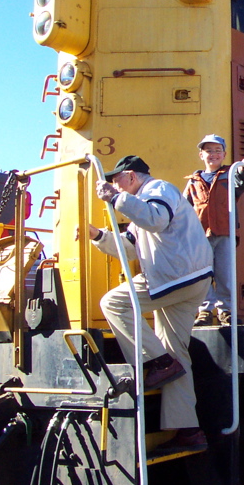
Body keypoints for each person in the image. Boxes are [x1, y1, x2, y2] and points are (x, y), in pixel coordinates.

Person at [84, 155, 213, 450]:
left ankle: (158, 362)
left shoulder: (158, 189)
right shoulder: (142, 204)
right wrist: (97, 236)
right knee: (177, 351)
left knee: (114, 304)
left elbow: (157, 220)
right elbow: (131, 247)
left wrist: (116, 198)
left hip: (177, 275)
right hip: (187, 277)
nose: (112, 184)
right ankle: (189, 430)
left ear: (130, 176)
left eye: (116, 179)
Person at [182, 134, 244, 324]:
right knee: (202, 274)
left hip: (225, 232)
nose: (213, 154)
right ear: (201, 155)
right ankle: (205, 310)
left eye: (217, 151)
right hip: (200, 235)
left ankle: (226, 310)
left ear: (224, 154)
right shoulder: (193, 181)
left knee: (225, 274)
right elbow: (184, 207)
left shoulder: (230, 175)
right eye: (208, 151)